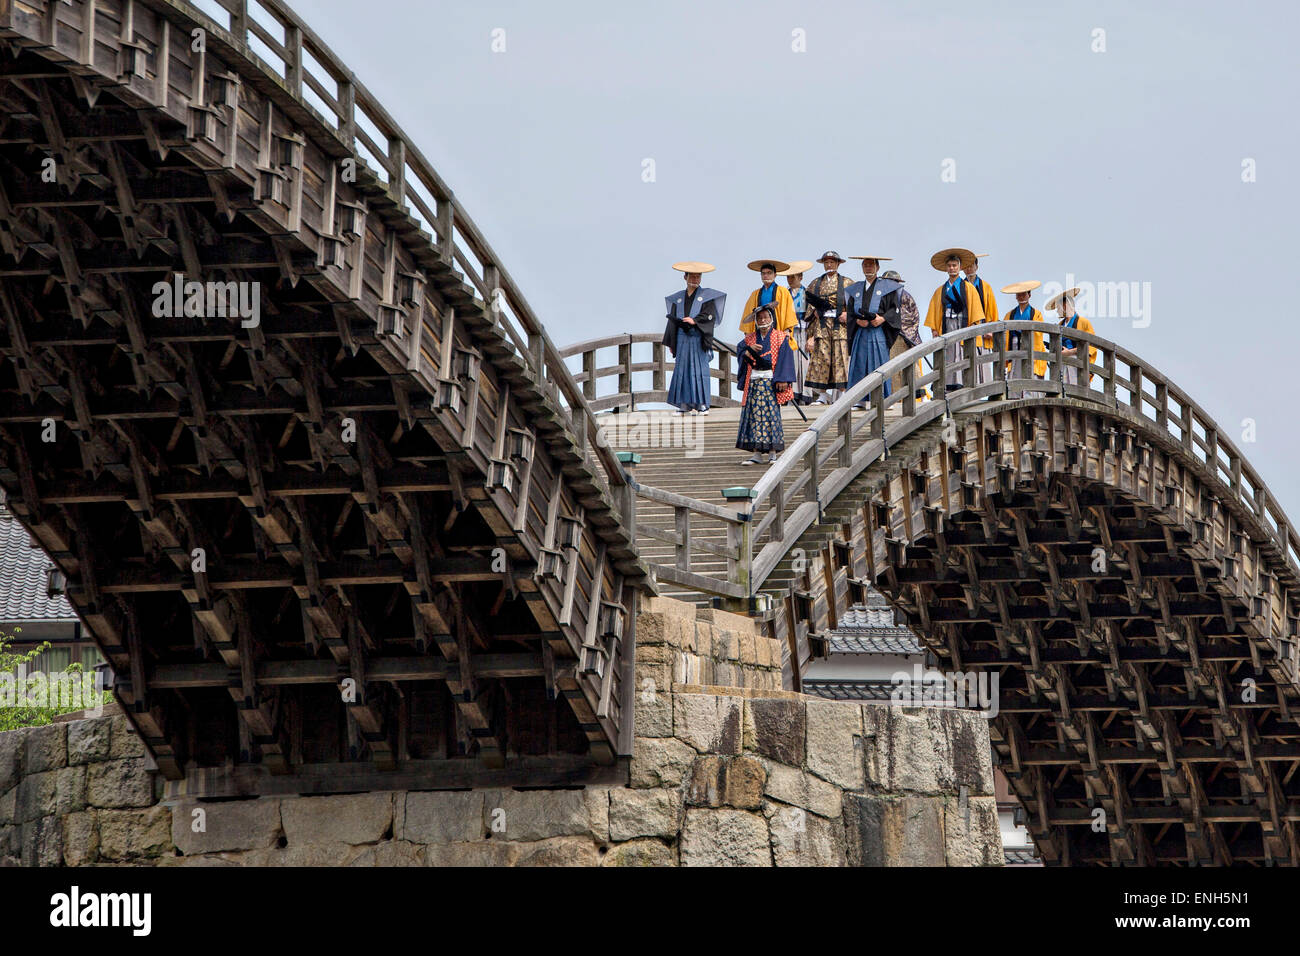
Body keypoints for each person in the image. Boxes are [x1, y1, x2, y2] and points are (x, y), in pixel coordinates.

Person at [735, 304, 796, 465]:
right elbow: (741, 353)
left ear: (771, 319)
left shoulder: (781, 337)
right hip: (754, 381)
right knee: (754, 416)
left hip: (771, 381)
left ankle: (772, 452)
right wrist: (749, 350)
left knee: (771, 416)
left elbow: (785, 357)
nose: (763, 320)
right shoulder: (749, 339)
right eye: (760, 318)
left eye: (766, 317)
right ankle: (756, 453)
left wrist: (783, 378)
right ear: (756, 321)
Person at [663, 261, 725, 415]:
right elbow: (672, 322)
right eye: (692, 276)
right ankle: (684, 404)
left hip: (698, 338)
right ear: (685, 277)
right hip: (682, 339)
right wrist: (671, 342)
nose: (695, 279)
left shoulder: (706, 297)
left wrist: (695, 321)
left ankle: (702, 404)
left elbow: (709, 316)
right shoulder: (677, 299)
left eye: (698, 277)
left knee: (699, 371)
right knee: (682, 370)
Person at [923, 247, 986, 394]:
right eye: (949, 266)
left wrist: (973, 327)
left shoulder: (969, 288)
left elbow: (976, 311)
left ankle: (961, 383)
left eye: (954, 265)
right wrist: (934, 329)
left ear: (959, 267)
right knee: (948, 353)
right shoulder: (940, 290)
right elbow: (935, 310)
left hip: (962, 324)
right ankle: (947, 385)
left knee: (961, 352)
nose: (952, 268)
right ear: (946, 268)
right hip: (947, 323)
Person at [844, 256, 899, 406]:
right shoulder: (855, 289)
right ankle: (858, 400)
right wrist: (856, 321)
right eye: (865, 265)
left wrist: (883, 319)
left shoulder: (888, 287)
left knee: (880, 365)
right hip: (861, 332)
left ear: (878, 268)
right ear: (862, 268)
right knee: (859, 364)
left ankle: (884, 398)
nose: (868, 268)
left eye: (871, 265)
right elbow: (849, 312)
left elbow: (894, 309)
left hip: (878, 331)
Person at [804, 250, 855, 403]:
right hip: (822, 324)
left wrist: (848, 314)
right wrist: (814, 312)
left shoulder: (847, 283)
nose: (829, 265)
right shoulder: (815, 283)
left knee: (841, 358)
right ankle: (822, 394)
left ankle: (844, 393)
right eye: (826, 262)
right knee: (821, 358)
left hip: (840, 325)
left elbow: (854, 304)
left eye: (832, 262)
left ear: (838, 264)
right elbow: (809, 304)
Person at [880, 269, 924, 398]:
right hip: (887, 336)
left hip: (902, 336)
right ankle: (895, 397)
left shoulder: (904, 296)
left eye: (892, 281)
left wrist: (901, 331)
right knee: (892, 368)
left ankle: (910, 396)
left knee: (906, 366)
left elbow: (911, 318)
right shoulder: (882, 296)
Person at [999, 280, 1047, 397]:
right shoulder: (1010, 314)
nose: (1021, 297)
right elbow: (1005, 333)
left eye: (1023, 294)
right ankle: (1013, 395)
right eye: (1018, 294)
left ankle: (1029, 395)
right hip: (1014, 345)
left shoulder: (1036, 314)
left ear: (1029, 295)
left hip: (1030, 345)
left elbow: (1038, 334)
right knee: (1014, 369)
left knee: (1029, 369)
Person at [1044, 286, 1097, 386]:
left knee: (1075, 391)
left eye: (1058, 307)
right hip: (1062, 362)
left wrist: (1069, 352)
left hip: (1077, 361)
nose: (1057, 311)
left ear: (1065, 306)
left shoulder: (1084, 322)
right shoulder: (1060, 324)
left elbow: (1090, 347)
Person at [780, 260, 815, 404]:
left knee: (805, 363)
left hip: (805, 331)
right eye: (788, 277)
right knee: (791, 363)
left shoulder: (808, 294)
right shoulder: (783, 294)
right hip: (790, 332)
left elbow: (813, 317)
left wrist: (812, 336)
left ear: (800, 277)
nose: (790, 280)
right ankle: (790, 395)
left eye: (793, 277)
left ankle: (806, 395)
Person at [963, 253, 1000, 385]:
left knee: (984, 364)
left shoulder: (985, 287)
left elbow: (992, 309)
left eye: (971, 266)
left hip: (983, 329)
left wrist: (991, 329)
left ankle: (987, 389)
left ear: (976, 267)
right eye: (966, 266)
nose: (968, 269)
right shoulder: (961, 286)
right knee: (966, 361)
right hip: (966, 328)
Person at [739, 260, 797, 335]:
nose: (766, 275)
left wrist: (787, 330)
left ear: (775, 275)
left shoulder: (783, 292)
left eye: (769, 273)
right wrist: (747, 333)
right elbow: (748, 312)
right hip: (760, 327)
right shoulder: (755, 294)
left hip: (777, 329)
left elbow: (789, 312)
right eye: (763, 273)